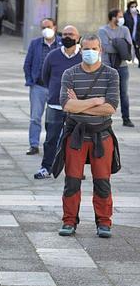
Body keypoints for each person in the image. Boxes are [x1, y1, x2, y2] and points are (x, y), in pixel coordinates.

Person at [56, 34, 121, 238]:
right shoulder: (70, 73)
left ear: (100, 49)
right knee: (72, 181)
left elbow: (110, 107)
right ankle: (69, 221)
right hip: (75, 136)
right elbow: (66, 105)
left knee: (102, 181)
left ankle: (104, 222)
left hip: (101, 135)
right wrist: (95, 101)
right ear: (80, 48)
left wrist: (80, 106)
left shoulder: (111, 74)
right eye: (86, 48)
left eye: (93, 48)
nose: (89, 52)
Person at [36, 25, 82, 180]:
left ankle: (75, 170)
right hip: (55, 104)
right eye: (66, 34)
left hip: (77, 107)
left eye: (72, 34)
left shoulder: (83, 56)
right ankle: (46, 168)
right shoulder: (53, 55)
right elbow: (45, 76)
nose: (68, 36)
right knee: (51, 138)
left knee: (76, 140)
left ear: (78, 37)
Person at [23, 17, 61, 155]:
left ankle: (53, 145)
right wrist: (30, 79)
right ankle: (34, 144)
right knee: (35, 118)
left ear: (55, 27)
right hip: (38, 86)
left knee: (54, 119)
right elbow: (27, 63)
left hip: (55, 88)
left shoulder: (61, 44)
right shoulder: (35, 44)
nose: (46, 30)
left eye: (49, 27)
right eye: (43, 27)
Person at [98, 8, 134, 127]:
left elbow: (128, 47)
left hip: (122, 66)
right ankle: (104, 117)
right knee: (105, 92)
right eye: (119, 16)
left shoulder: (125, 29)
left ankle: (126, 118)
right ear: (112, 18)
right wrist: (120, 45)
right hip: (107, 66)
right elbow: (106, 48)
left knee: (124, 93)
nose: (121, 19)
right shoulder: (103, 30)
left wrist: (115, 42)